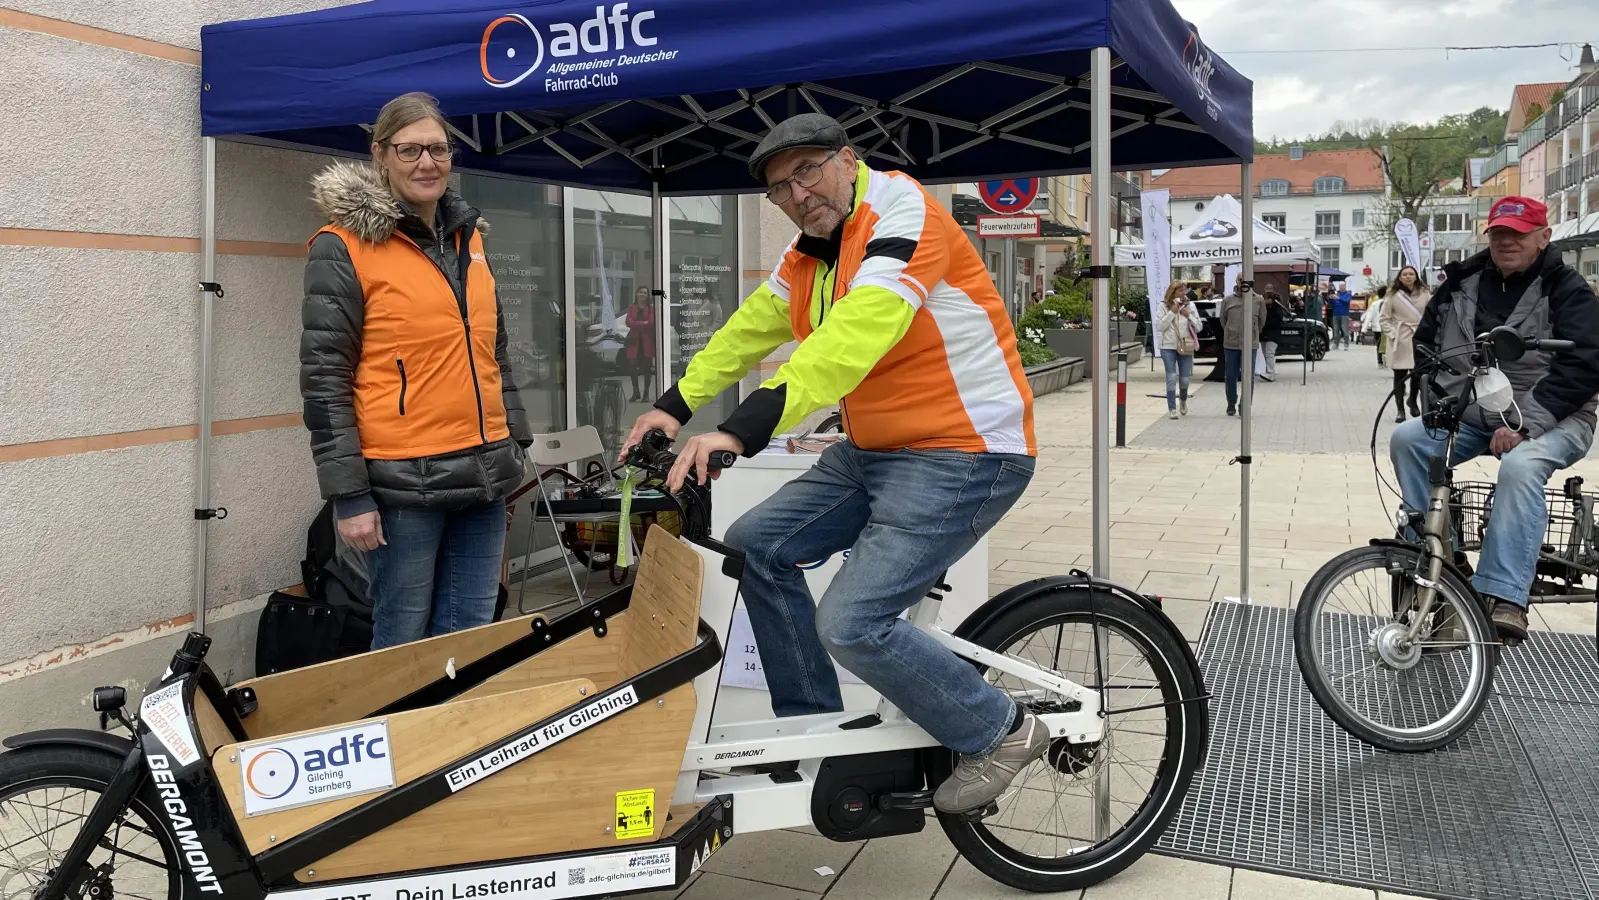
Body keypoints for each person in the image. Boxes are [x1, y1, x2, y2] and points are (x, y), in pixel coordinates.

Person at [619, 113, 1041, 814]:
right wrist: (672, 404)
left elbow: (851, 338)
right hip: (876, 450)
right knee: (755, 547)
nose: (796, 193)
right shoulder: (810, 251)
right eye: (780, 188)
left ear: (847, 160)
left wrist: (739, 430)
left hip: (965, 452)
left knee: (850, 624)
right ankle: (814, 726)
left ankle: (1000, 729)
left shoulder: (902, 214)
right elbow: (749, 328)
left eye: (807, 171)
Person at [299, 92, 531, 650]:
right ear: (381, 155)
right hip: (402, 484)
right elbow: (324, 379)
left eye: (438, 148)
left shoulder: (469, 239)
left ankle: (454, 738)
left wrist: (515, 440)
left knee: (470, 636)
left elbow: (493, 350)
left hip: (481, 475)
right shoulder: (343, 247)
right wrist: (349, 496)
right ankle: (399, 737)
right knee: (403, 643)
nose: (427, 162)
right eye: (410, 150)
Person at [1391, 196, 1599, 642]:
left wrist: (1526, 425)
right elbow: (1428, 347)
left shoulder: (1567, 290)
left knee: (1520, 467)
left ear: (1543, 237)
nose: (1507, 241)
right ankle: (1432, 555)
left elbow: (1585, 365)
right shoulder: (1461, 282)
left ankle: (1504, 596)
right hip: (1474, 412)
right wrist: (1440, 403)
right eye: (1500, 232)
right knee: (1408, 438)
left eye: (1519, 234)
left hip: (1556, 417)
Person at [1381, 266, 1431, 423]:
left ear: (1416, 276)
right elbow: (1384, 318)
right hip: (1401, 337)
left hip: (1419, 337)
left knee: (1418, 373)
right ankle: (1400, 410)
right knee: (1400, 375)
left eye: (1411, 274)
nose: (1408, 276)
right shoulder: (1393, 296)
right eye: (1405, 274)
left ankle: (1413, 400)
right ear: (1400, 277)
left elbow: (1431, 314)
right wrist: (1392, 334)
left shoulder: (1425, 294)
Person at [1218, 276, 1266, 417]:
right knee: (1231, 375)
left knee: (1248, 376)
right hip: (1231, 343)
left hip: (1249, 344)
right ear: (1237, 282)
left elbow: (1262, 321)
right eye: (1240, 280)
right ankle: (1231, 402)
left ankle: (1245, 406)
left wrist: (1253, 333)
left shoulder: (1258, 300)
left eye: (1245, 281)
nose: (1242, 283)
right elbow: (1223, 320)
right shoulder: (1228, 300)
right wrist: (1231, 331)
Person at [1155, 282, 1203, 418]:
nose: (1184, 293)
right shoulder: (1163, 306)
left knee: (1185, 379)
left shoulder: (1190, 305)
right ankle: (1172, 408)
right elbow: (1160, 326)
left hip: (1185, 346)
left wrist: (1188, 315)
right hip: (1167, 346)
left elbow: (1199, 327)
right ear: (1173, 292)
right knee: (1170, 377)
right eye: (1181, 291)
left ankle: (1183, 400)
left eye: (1184, 290)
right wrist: (1172, 312)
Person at [624, 286, 656, 401]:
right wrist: (643, 323)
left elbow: (651, 322)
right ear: (636, 294)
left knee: (646, 368)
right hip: (634, 341)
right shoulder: (632, 307)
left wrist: (636, 323)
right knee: (632, 367)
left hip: (646, 342)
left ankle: (646, 393)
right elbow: (628, 322)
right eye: (640, 292)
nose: (643, 295)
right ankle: (635, 392)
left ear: (648, 296)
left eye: (645, 293)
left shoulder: (651, 308)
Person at [1261, 290, 1286, 382]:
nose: (1263, 300)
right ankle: (1268, 372)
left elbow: (1277, 321)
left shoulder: (1276, 308)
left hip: (1272, 334)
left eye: (1265, 299)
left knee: (1269, 354)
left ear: (1271, 299)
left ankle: (1270, 373)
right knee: (1265, 354)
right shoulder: (1265, 307)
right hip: (1264, 334)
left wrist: (1265, 323)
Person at [1365, 286, 1389, 368]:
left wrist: (1365, 327)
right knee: (1386, 343)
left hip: (1377, 327)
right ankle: (1385, 359)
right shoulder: (1388, 303)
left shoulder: (1374, 303)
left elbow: (1369, 315)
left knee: (1379, 344)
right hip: (1385, 326)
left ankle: (1380, 362)